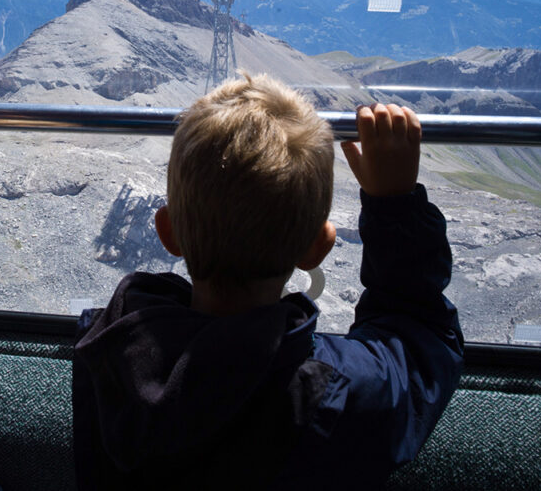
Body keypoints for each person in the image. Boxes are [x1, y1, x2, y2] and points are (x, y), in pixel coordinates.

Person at [72, 73, 464, 489]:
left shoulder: (109, 357)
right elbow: (422, 346)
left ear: (168, 233)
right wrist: (394, 205)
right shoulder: (339, 389)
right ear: (318, 246)